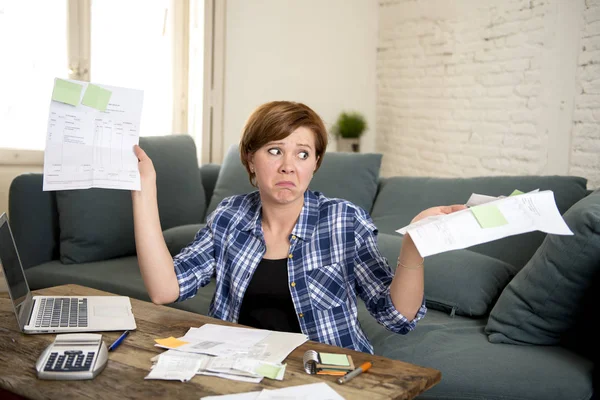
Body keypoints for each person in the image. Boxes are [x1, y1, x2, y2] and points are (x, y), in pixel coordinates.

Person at [131, 101, 465, 354]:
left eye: (303, 154)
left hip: (325, 375)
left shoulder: (344, 220)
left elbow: (398, 316)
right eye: (274, 151)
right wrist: (144, 190)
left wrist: (415, 245)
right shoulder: (229, 216)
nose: (288, 166)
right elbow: (164, 291)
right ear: (250, 158)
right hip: (240, 366)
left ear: (316, 162)